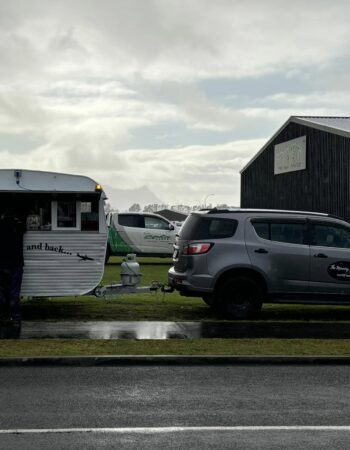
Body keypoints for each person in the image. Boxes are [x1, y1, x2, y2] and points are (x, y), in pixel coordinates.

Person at [0, 208, 26, 323]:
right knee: (14, 291)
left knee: (1, 291)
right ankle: (15, 316)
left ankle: (1, 315)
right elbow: (24, 228)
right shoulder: (18, 226)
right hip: (16, 263)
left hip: (1, 262)